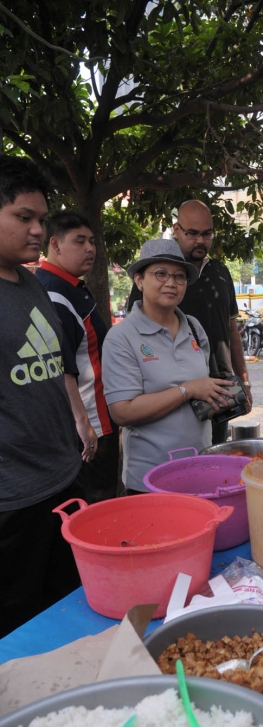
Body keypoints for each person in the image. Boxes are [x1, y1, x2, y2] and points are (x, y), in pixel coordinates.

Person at [0, 155, 82, 637]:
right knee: (19, 631)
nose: (37, 230)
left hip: (61, 482)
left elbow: (52, 371)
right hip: (12, 502)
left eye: (41, 219)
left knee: (67, 612)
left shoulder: (30, 282)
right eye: (23, 217)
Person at [102, 239, 236, 494]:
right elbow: (122, 412)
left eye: (179, 276)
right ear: (139, 281)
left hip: (199, 467)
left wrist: (222, 396)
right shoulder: (121, 338)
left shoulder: (195, 328)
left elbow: (202, 389)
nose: (171, 283)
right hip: (150, 479)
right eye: (160, 274)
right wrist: (187, 390)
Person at [36, 211, 119, 503]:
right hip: (89, 426)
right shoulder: (54, 295)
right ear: (55, 245)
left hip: (98, 418)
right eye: (80, 241)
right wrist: (82, 424)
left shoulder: (69, 287)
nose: (90, 249)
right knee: (97, 505)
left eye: (92, 241)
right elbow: (62, 367)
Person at [172, 200, 252, 443]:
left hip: (221, 386)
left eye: (207, 234)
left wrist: (244, 379)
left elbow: (230, 329)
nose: (200, 241)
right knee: (183, 459)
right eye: (192, 233)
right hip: (179, 389)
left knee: (216, 453)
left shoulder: (220, 272)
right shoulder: (162, 273)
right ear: (176, 230)